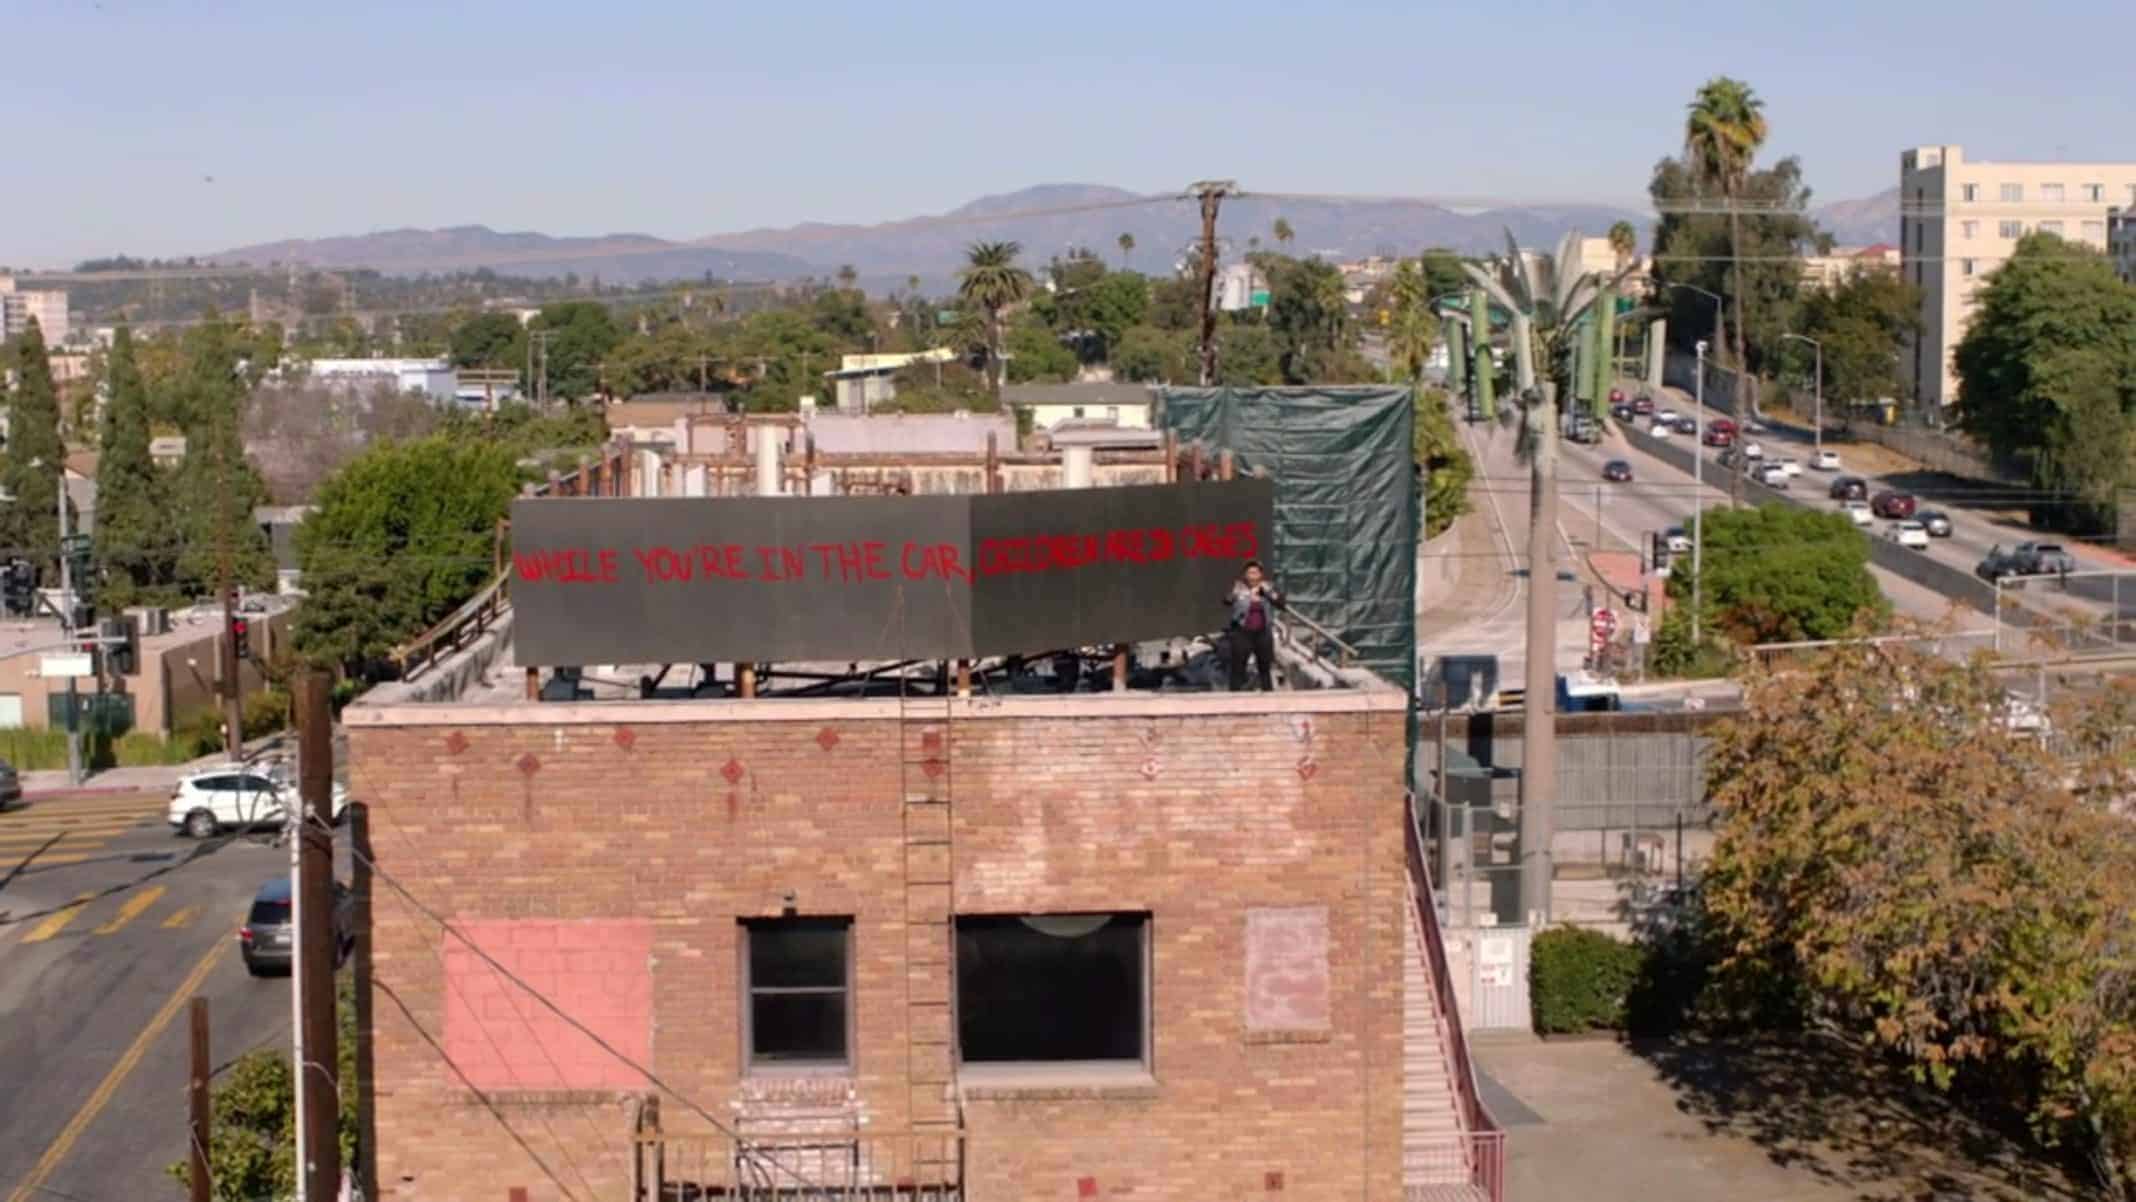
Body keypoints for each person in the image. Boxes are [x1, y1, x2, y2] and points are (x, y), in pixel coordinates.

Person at [1224, 561, 1284, 691]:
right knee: (1237, 669)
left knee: (1265, 668)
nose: (1253, 576)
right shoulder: (1239, 587)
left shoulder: (1268, 588)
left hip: (1262, 632)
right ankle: (1232, 699)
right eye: (1250, 573)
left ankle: (1268, 698)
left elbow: (1281, 603)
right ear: (1245, 575)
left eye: (1255, 573)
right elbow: (1227, 600)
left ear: (1261, 575)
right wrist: (1235, 594)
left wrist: (1268, 592)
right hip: (1242, 632)